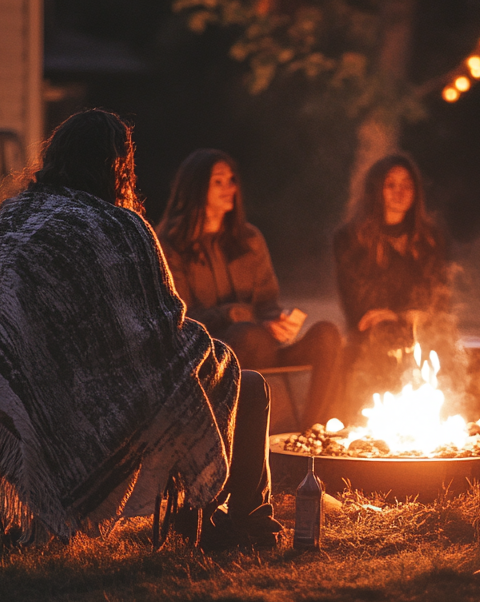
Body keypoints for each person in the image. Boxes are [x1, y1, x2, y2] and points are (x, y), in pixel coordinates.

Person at [0, 109, 279, 547]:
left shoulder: (10, 217)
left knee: (212, 369)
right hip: (104, 401)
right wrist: (212, 350)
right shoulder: (117, 225)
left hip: (27, 388)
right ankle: (242, 521)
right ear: (119, 166)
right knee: (244, 383)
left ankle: (201, 516)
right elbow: (159, 332)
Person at [154, 149, 343, 427]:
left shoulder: (249, 239)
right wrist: (231, 315)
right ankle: (243, 435)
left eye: (232, 180)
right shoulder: (170, 246)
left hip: (263, 344)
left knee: (327, 334)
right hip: (211, 355)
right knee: (250, 336)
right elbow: (180, 319)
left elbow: (267, 303)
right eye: (218, 181)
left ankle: (312, 430)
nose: (229, 188)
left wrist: (277, 321)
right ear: (195, 187)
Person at [333, 153, 457, 421]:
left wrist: (400, 314)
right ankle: (374, 420)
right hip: (373, 330)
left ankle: (441, 420)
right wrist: (404, 314)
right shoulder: (351, 239)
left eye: (407, 185)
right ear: (376, 190)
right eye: (391, 185)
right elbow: (360, 305)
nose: (400, 192)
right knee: (386, 335)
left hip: (421, 326)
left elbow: (438, 296)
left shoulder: (430, 238)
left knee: (442, 338)